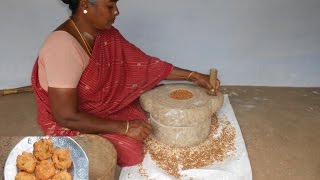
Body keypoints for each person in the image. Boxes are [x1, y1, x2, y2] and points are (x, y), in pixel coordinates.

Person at [31, 0, 220, 167]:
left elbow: (144, 65)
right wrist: (125, 128)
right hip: (70, 117)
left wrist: (194, 76)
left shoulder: (106, 34)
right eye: (110, 6)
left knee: (149, 112)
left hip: (99, 106)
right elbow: (65, 116)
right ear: (85, 5)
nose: (117, 12)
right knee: (130, 150)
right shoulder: (62, 47)